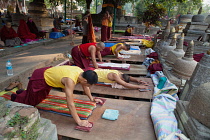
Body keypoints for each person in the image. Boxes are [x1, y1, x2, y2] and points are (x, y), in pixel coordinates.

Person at [10, 66, 102, 127]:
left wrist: (92, 99)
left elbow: (86, 87)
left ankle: (22, 92)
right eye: (89, 85)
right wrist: (79, 121)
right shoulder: (70, 80)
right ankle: (15, 97)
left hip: (49, 75)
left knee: (41, 97)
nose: (88, 87)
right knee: (31, 101)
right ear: (85, 80)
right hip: (41, 77)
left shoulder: (81, 72)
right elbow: (70, 103)